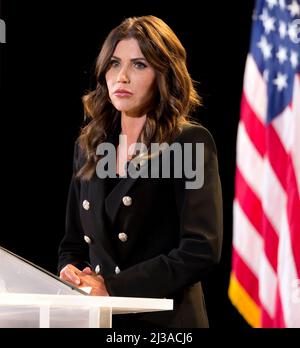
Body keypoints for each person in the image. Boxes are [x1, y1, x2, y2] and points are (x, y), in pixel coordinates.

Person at [58, 15, 223, 328]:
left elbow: (201, 251)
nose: (121, 77)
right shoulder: (88, 145)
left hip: (167, 324)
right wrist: (71, 270)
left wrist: (114, 287)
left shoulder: (189, 142)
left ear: (165, 74)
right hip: (102, 321)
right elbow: (73, 244)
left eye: (139, 65)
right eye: (114, 63)